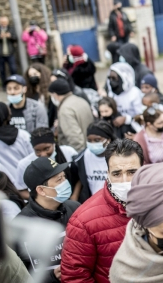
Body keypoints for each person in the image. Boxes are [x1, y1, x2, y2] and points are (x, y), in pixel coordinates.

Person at [61, 139, 143, 283]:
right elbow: (75, 277)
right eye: (117, 174)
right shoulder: (83, 221)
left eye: (132, 172)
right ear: (108, 173)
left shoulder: (159, 204)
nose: (125, 180)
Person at [19, 156, 80, 283]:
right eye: (59, 180)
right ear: (41, 190)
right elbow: (19, 274)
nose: (65, 182)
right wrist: (51, 276)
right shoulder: (21, 226)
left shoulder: (75, 208)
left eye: (64, 177)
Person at [14, 127, 78, 198]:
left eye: (47, 149)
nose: (43, 154)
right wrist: (43, 199)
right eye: (37, 151)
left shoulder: (69, 152)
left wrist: (74, 197)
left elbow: (79, 177)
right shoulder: (24, 164)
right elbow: (21, 190)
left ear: (54, 143)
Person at [0, 102, 33, 184]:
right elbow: (34, 157)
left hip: (4, 185)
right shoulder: (23, 135)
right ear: (8, 116)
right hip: (28, 181)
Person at [71, 121, 116, 203]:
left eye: (97, 140)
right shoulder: (81, 158)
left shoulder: (119, 156)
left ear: (108, 140)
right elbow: (80, 178)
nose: (93, 144)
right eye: (89, 140)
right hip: (91, 203)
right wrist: (75, 196)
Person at [49, 78, 94, 150]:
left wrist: (75, 159)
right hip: (89, 148)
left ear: (55, 95)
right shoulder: (81, 100)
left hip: (79, 152)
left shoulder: (65, 110)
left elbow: (76, 141)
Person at [0, 16, 18, 84]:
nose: (4, 24)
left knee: (13, 69)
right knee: (2, 70)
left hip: (10, 52)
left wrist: (10, 36)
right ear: (0, 23)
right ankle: (4, 84)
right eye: (2, 23)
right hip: (0, 54)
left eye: (5, 22)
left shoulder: (11, 29)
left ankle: (15, 81)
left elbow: (15, 38)